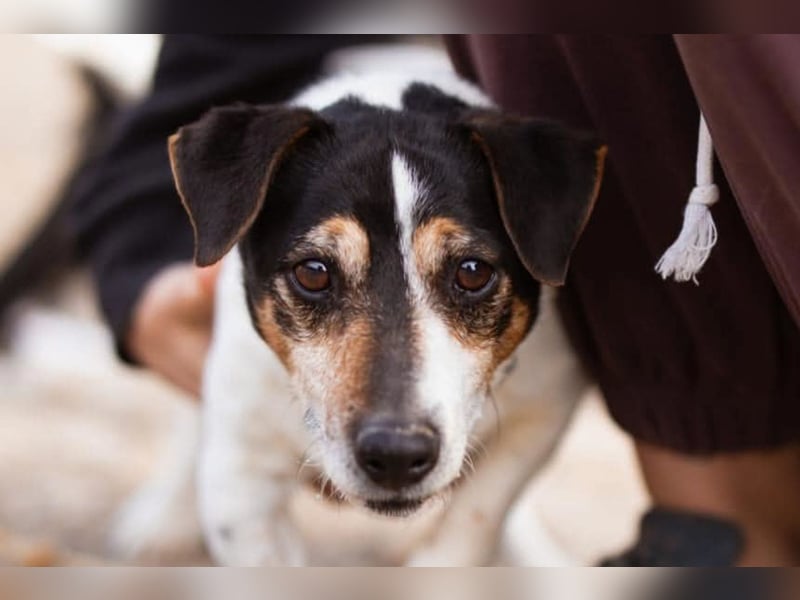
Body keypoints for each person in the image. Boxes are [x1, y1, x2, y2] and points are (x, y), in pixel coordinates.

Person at [70, 33, 800, 566]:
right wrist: (137, 278)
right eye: (319, 278)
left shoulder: (550, 326)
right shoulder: (245, 257)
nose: (393, 423)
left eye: (470, 278)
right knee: (230, 450)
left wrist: (459, 551)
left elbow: (538, 407)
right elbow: (240, 506)